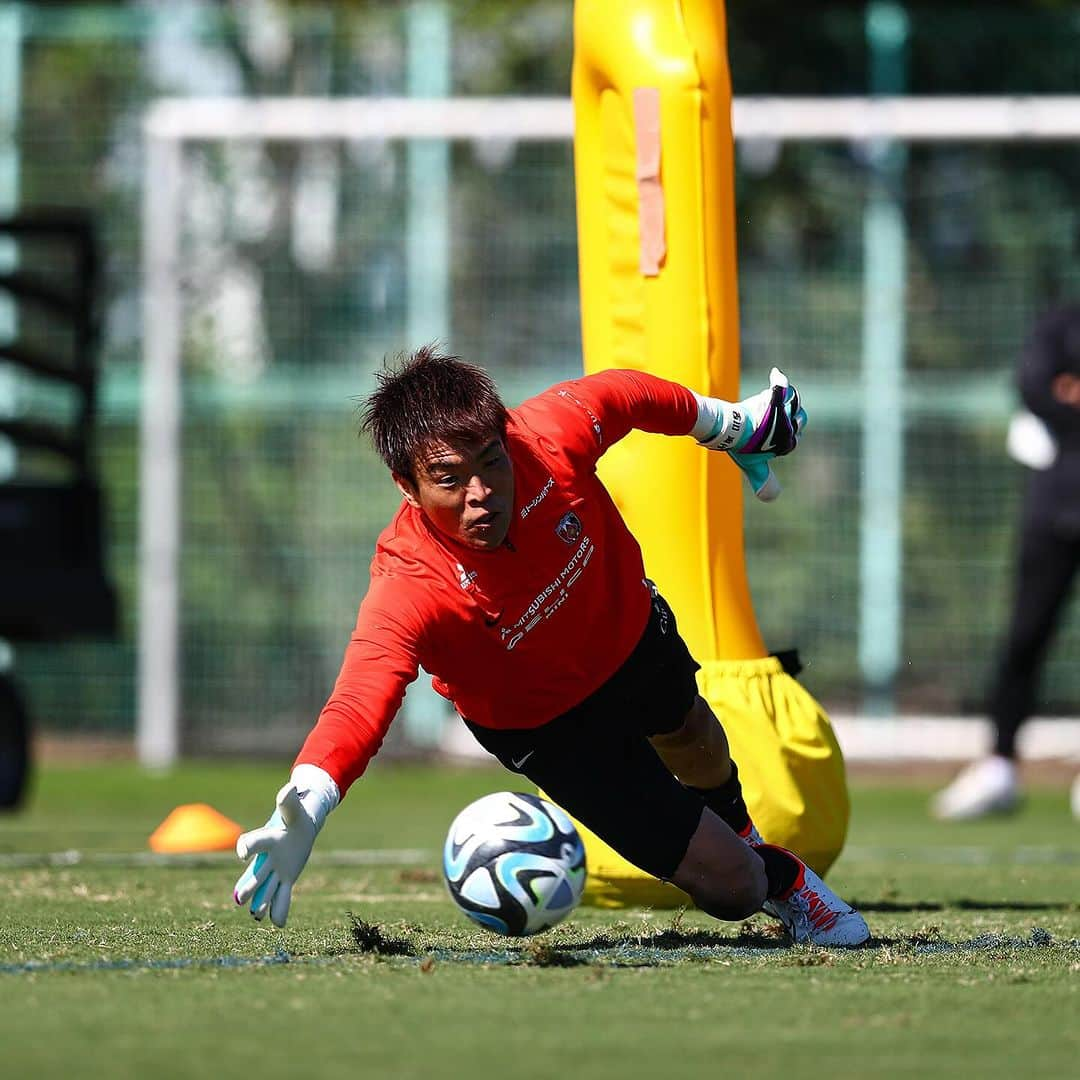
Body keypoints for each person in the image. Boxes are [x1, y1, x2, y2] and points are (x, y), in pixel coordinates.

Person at [233, 345, 870, 945]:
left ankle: (740, 829)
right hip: (551, 730)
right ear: (407, 486)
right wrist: (310, 805)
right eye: (450, 479)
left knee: (696, 741)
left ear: (506, 438)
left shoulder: (547, 435)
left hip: (629, 638)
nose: (480, 494)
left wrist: (729, 425)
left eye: (490, 461)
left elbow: (627, 394)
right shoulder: (407, 586)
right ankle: (778, 878)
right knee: (734, 888)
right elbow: (357, 703)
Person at [932, 302, 1080, 821]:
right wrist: (1058, 394)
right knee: (1025, 637)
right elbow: (1035, 388)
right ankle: (999, 765)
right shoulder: (1060, 323)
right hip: (1054, 510)